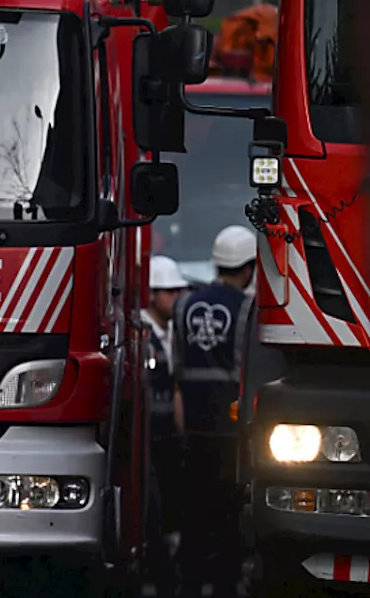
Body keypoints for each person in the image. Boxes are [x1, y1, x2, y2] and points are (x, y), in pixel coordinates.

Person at [171, 225, 257, 598]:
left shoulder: (185, 305)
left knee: (193, 513)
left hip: (193, 428)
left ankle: (188, 583)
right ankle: (223, 585)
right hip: (232, 432)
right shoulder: (247, 310)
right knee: (228, 516)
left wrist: (182, 428)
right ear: (249, 267)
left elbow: (177, 375)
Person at [141, 255, 188, 598]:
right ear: (153, 294)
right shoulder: (141, 333)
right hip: (146, 436)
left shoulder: (171, 331)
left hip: (167, 436)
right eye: (170, 292)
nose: (176, 298)